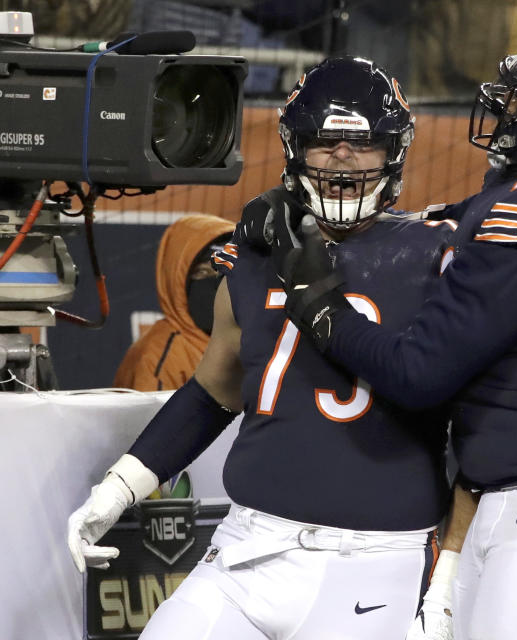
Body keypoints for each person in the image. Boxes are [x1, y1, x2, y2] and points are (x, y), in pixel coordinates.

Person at [268, 31, 517, 639]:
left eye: (516, 100)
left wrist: (323, 309)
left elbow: (419, 375)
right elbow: (456, 227)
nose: (501, 111)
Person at [66, 56, 455, 639]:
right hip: (246, 547)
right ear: (295, 148)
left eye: (362, 144)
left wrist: (451, 567)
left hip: (376, 561)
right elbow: (211, 394)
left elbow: (476, 425)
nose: (341, 159)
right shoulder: (252, 260)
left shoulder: (439, 257)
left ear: (393, 152)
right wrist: (121, 485)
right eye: (324, 142)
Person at [113, 214, 235, 391]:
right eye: (201, 272)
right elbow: (152, 419)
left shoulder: (255, 342)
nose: (215, 284)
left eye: (224, 274)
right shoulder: (158, 358)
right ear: (177, 278)